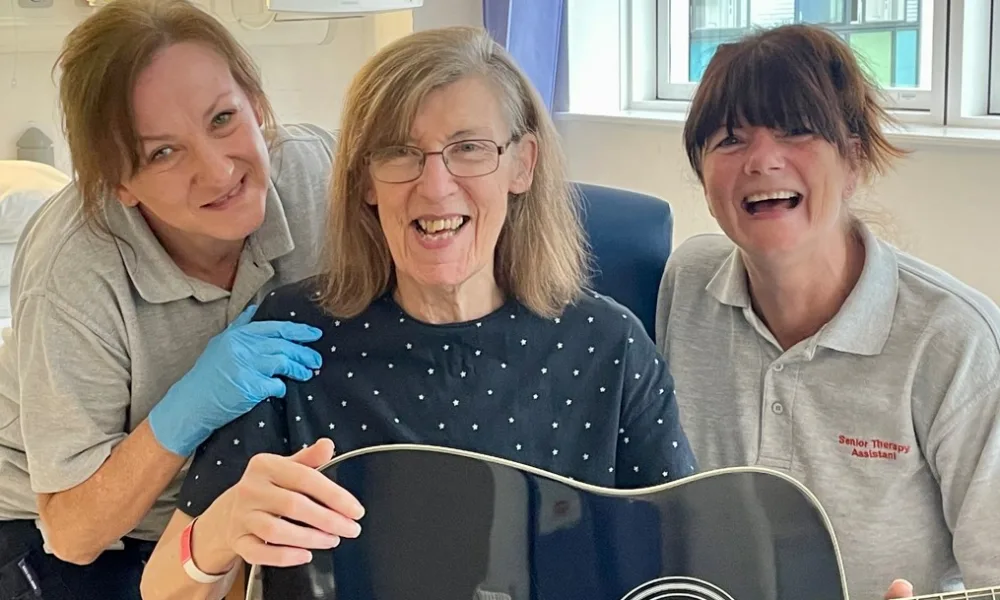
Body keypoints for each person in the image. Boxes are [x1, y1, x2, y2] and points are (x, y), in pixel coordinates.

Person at [139, 24, 698, 598]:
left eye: (469, 148)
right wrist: (223, 530)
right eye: (400, 152)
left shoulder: (609, 346)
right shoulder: (292, 339)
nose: (435, 187)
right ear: (366, 182)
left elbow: (685, 567)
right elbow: (162, 589)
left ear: (521, 165)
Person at [0, 0, 339, 597]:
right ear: (118, 183)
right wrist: (186, 412)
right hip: (67, 527)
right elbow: (72, 532)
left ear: (257, 105)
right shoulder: (71, 274)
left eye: (223, 119)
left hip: (238, 503)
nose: (217, 171)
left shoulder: (321, 177)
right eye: (162, 151)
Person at [655, 23, 1000, 600]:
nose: (762, 161)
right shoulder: (685, 284)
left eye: (796, 131)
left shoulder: (957, 340)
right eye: (730, 140)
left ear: (855, 160)